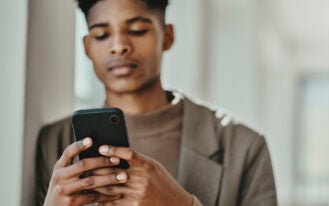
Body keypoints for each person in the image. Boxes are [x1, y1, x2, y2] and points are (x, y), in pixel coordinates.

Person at [35, 0, 278, 205]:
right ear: (87, 47)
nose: (119, 46)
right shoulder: (54, 144)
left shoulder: (245, 146)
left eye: (138, 30)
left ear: (167, 37)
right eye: (102, 35)